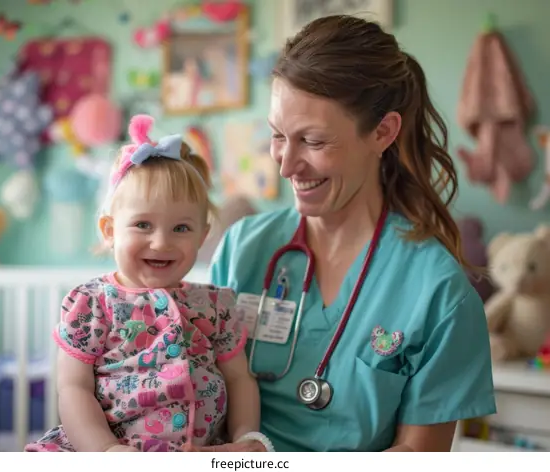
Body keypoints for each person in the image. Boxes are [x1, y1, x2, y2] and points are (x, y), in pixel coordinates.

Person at [207, 15, 497, 452]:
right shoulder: (242, 249)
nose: (286, 165)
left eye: (314, 141)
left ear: (383, 132)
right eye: (278, 136)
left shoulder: (439, 292)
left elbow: (418, 456)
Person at [25, 115, 264, 452]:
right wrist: (105, 450)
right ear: (109, 231)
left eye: (181, 228)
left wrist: (245, 438)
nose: (161, 242)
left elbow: (240, 380)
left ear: (202, 235)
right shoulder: (92, 304)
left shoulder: (215, 306)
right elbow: (73, 389)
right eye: (142, 224)